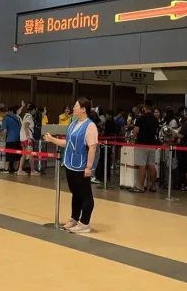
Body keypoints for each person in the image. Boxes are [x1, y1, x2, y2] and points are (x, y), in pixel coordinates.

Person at [43, 98, 98, 233]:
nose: (73, 108)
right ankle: (74, 218)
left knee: (85, 194)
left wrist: (89, 167)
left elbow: (92, 148)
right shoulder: (73, 123)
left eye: (76, 106)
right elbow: (67, 143)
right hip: (70, 164)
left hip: (81, 165)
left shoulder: (90, 126)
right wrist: (52, 139)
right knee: (75, 193)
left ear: (83, 109)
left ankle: (84, 223)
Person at [131, 102, 160, 193]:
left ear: (144, 107)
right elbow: (156, 132)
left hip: (142, 144)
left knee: (142, 165)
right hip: (152, 144)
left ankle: (140, 186)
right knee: (151, 165)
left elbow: (136, 131)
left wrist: (133, 137)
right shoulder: (155, 119)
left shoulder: (141, 118)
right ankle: (153, 185)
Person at [95, 110, 119, 182]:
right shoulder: (114, 122)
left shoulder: (108, 123)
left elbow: (104, 132)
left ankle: (102, 175)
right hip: (110, 142)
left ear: (109, 115)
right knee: (107, 159)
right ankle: (106, 176)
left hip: (105, 142)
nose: (106, 116)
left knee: (103, 159)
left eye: (107, 115)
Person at [0, 106, 22, 174]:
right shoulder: (13, 115)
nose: (0, 116)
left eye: (0, 114)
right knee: (17, 155)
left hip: (10, 139)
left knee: (8, 155)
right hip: (18, 138)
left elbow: (5, 131)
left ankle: (6, 169)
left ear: (2, 113)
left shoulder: (5, 119)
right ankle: (16, 169)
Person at [19, 104, 39, 175]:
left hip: (23, 137)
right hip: (27, 138)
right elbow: (26, 127)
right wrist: (28, 137)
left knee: (24, 154)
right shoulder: (29, 116)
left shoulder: (25, 116)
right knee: (30, 154)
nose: (35, 111)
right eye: (35, 110)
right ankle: (32, 171)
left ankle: (20, 170)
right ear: (33, 110)